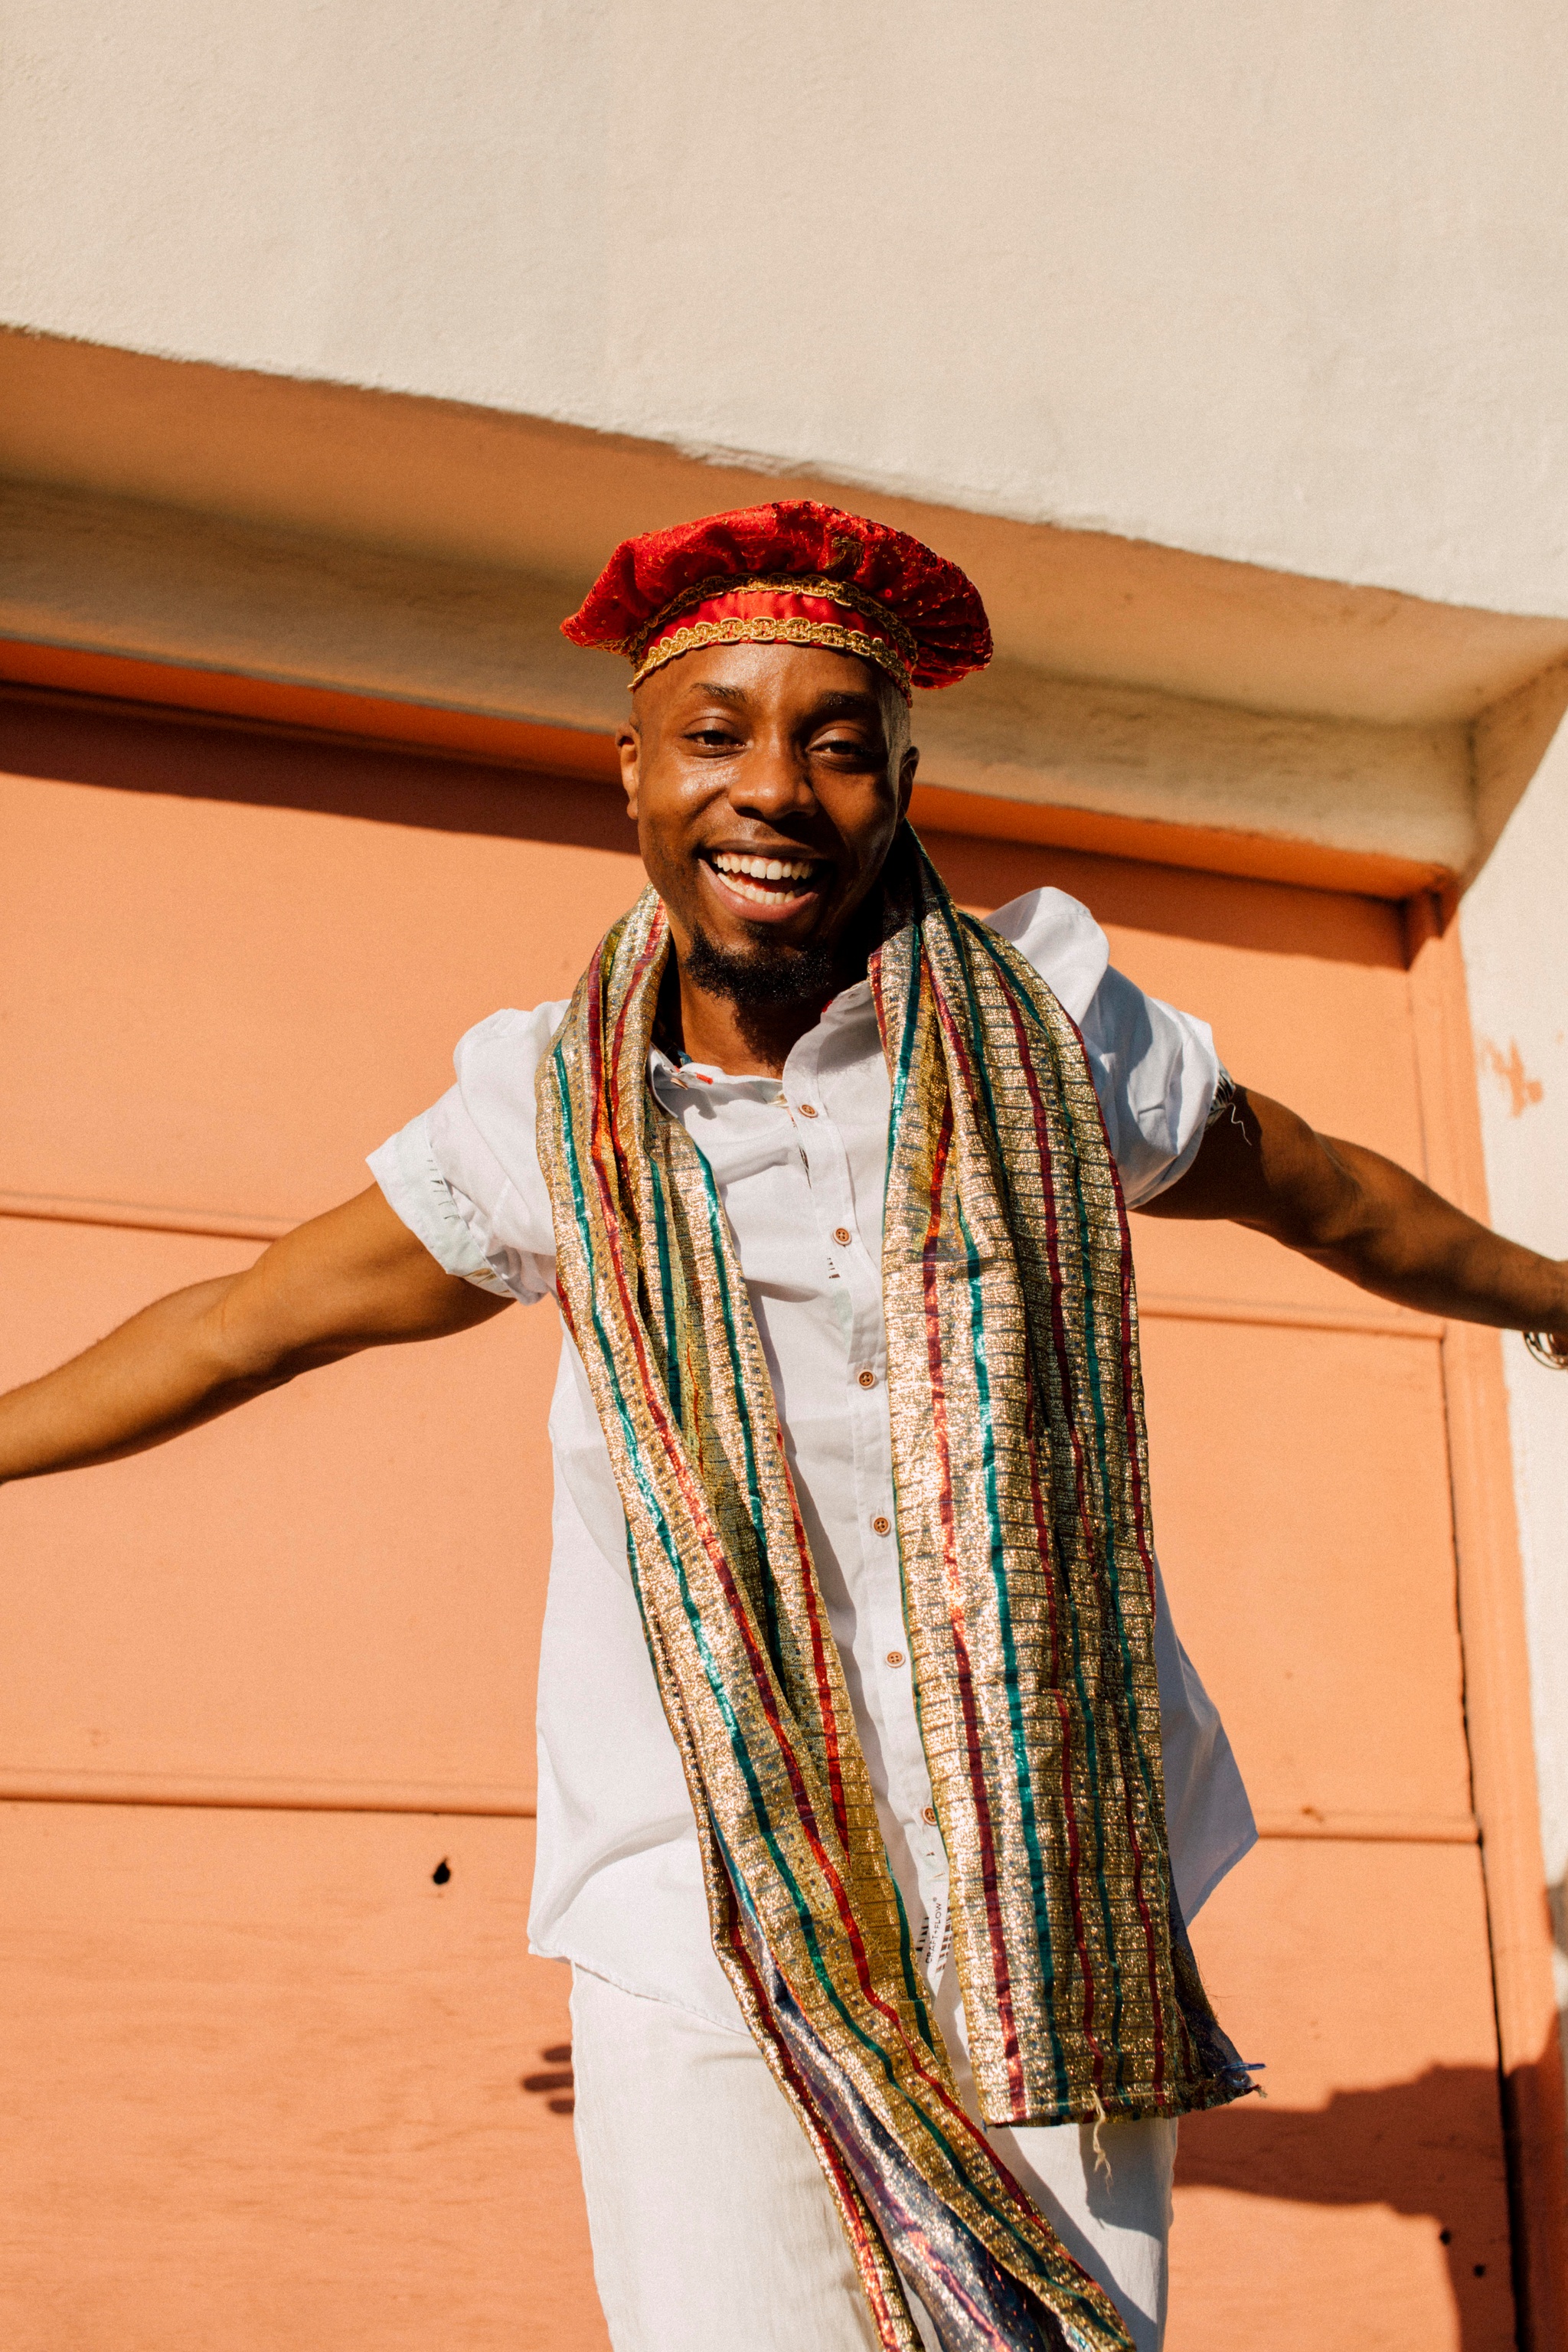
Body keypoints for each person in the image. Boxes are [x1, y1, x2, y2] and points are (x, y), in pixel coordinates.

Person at [3, 501, 1565, 2352]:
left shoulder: (1048, 1027)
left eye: (838, 745)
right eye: (719, 733)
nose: (775, 789)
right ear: (634, 774)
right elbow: (239, 1323)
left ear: (899, 784)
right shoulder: (548, 1122)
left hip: (1048, 1877)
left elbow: (1326, 1192)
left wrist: (1555, 1302)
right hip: (702, 1897)